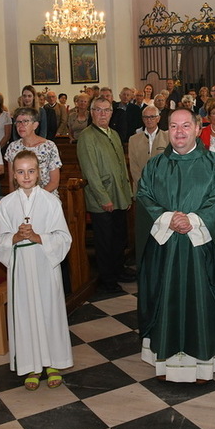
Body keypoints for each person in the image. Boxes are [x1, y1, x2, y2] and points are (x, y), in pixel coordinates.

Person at [136, 108, 215, 382]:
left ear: (198, 129)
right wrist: (168, 218)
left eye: (185, 126)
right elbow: (144, 196)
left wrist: (194, 220)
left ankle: (203, 363)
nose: (180, 132)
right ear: (167, 130)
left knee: (202, 299)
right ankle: (167, 363)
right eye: (173, 126)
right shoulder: (155, 165)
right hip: (166, 251)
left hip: (201, 250)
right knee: (165, 296)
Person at [0, 150, 73, 391]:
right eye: (20, 172)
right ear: (14, 175)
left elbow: (63, 237)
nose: (26, 176)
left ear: (39, 173)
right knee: (25, 314)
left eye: (31, 171)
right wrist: (15, 237)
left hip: (45, 265)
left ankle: (54, 363)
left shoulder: (51, 202)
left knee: (49, 311)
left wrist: (38, 237)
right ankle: (32, 367)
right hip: (20, 267)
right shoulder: (6, 204)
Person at [77, 97, 134, 292]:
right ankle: (107, 279)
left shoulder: (114, 134)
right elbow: (90, 172)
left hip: (119, 195)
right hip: (103, 198)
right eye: (98, 110)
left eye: (107, 110)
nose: (103, 114)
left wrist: (127, 195)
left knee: (119, 237)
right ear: (92, 112)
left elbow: (122, 167)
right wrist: (104, 198)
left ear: (112, 113)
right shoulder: (87, 136)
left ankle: (118, 270)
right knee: (105, 241)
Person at [5, 107, 62, 196]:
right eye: (18, 122)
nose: (21, 125)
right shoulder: (13, 147)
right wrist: (14, 200)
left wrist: (34, 197)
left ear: (35, 125)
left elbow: (54, 182)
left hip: (46, 195)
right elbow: (12, 181)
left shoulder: (49, 146)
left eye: (25, 121)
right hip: (21, 197)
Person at [128, 105, 169, 192]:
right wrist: (143, 185)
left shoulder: (168, 138)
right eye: (146, 117)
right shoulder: (133, 140)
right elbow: (134, 167)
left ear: (158, 118)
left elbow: (170, 165)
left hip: (163, 188)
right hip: (141, 188)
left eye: (152, 117)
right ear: (142, 119)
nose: (149, 120)